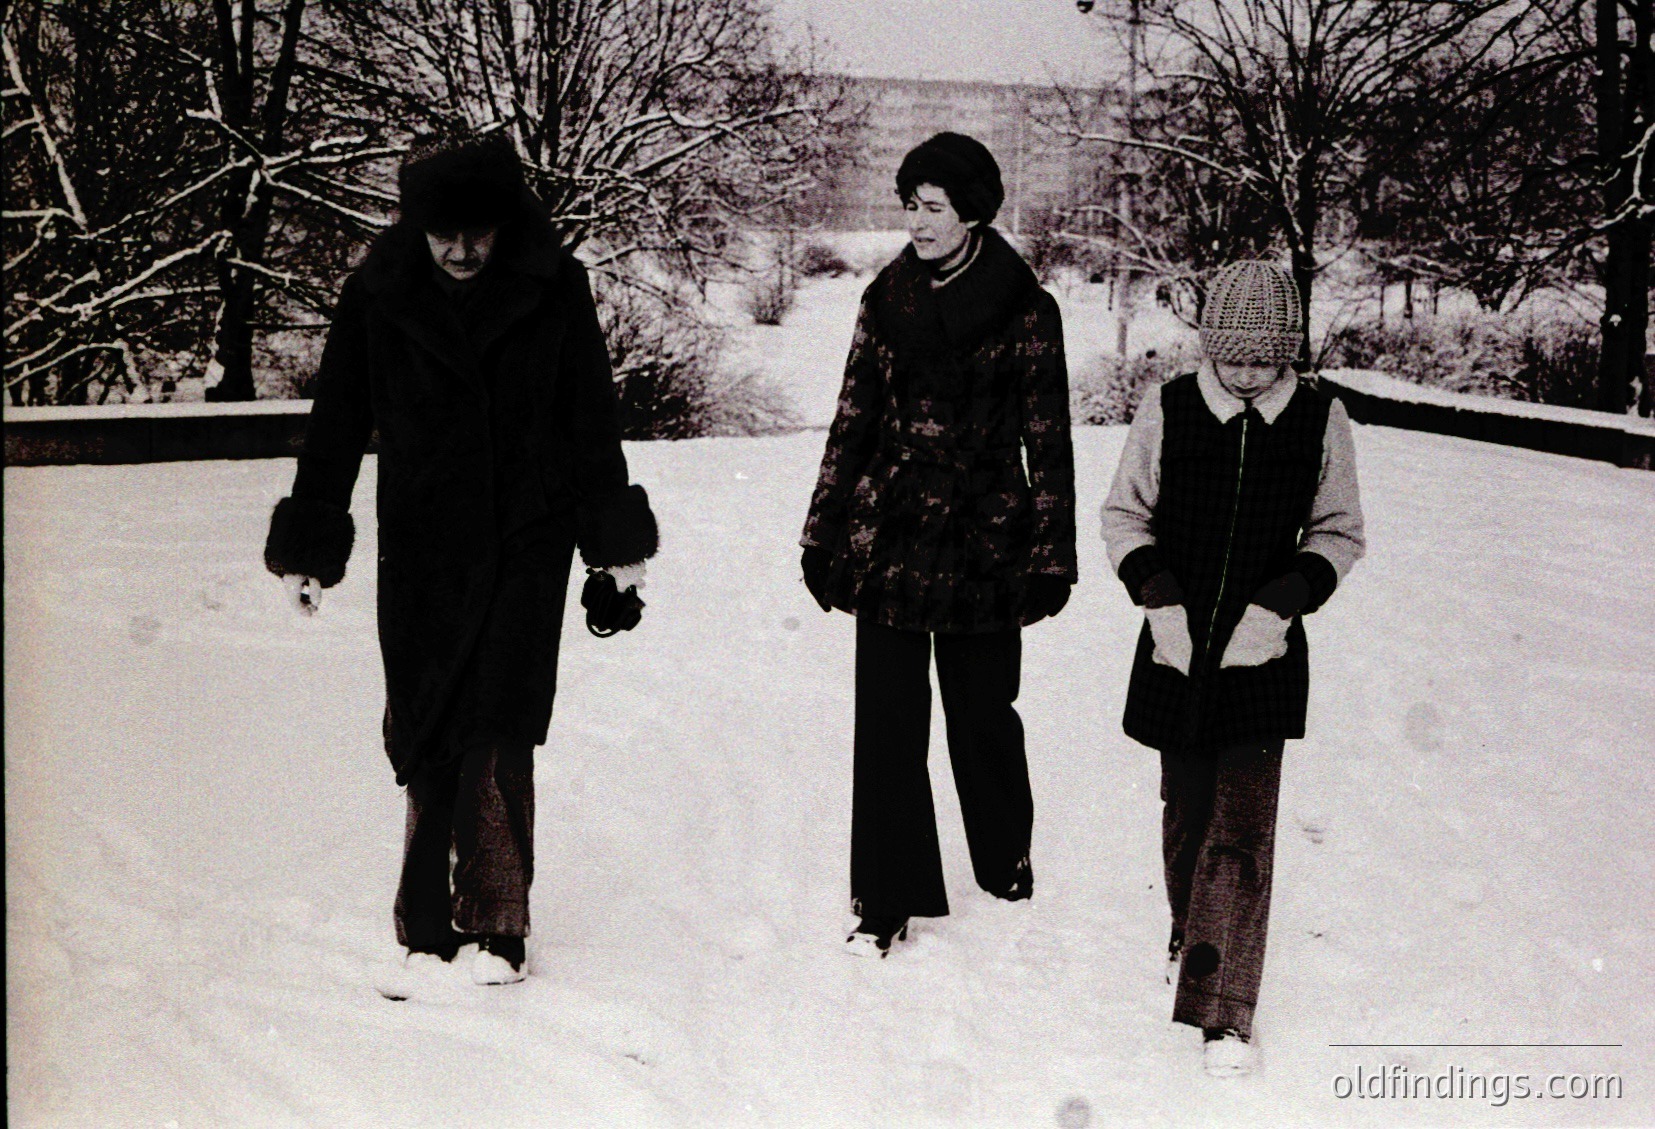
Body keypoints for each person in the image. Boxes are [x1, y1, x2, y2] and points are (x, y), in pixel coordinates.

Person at [262, 132, 658, 992]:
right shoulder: (377, 292)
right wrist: (311, 544)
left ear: (504, 220)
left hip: (527, 531)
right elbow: (335, 422)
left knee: (498, 717)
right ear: (417, 225)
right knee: (426, 716)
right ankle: (423, 917)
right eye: (443, 232)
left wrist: (614, 546)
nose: (461, 249)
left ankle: (498, 922)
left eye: (477, 230)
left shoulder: (554, 287)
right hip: (422, 538)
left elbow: (590, 417)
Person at [800, 131, 1077, 959]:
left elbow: (1048, 438)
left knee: (981, 713)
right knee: (885, 720)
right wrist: (821, 530)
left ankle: (1002, 853)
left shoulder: (1026, 306)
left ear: (972, 212)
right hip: (890, 529)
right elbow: (851, 420)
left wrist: (1050, 554)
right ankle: (886, 896)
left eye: (934, 207)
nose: (917, 222)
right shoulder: (886, 297)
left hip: (985, 533)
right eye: (909, 205)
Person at [1100, 260, 1365, 1075]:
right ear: (1209, 348)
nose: (1249, 376)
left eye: (1266, 361)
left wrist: (1283, 601)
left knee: (1243, 827)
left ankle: (1221, 1011)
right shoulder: (1171, 407)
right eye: (1234, 359)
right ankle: (1192, 930)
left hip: (1262, 651)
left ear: (1289, 354)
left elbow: (1338, 531)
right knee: (1186, 811)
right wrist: (1157, 599)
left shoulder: (1320, 417)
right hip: (1176, 647)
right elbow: (1123, 512)